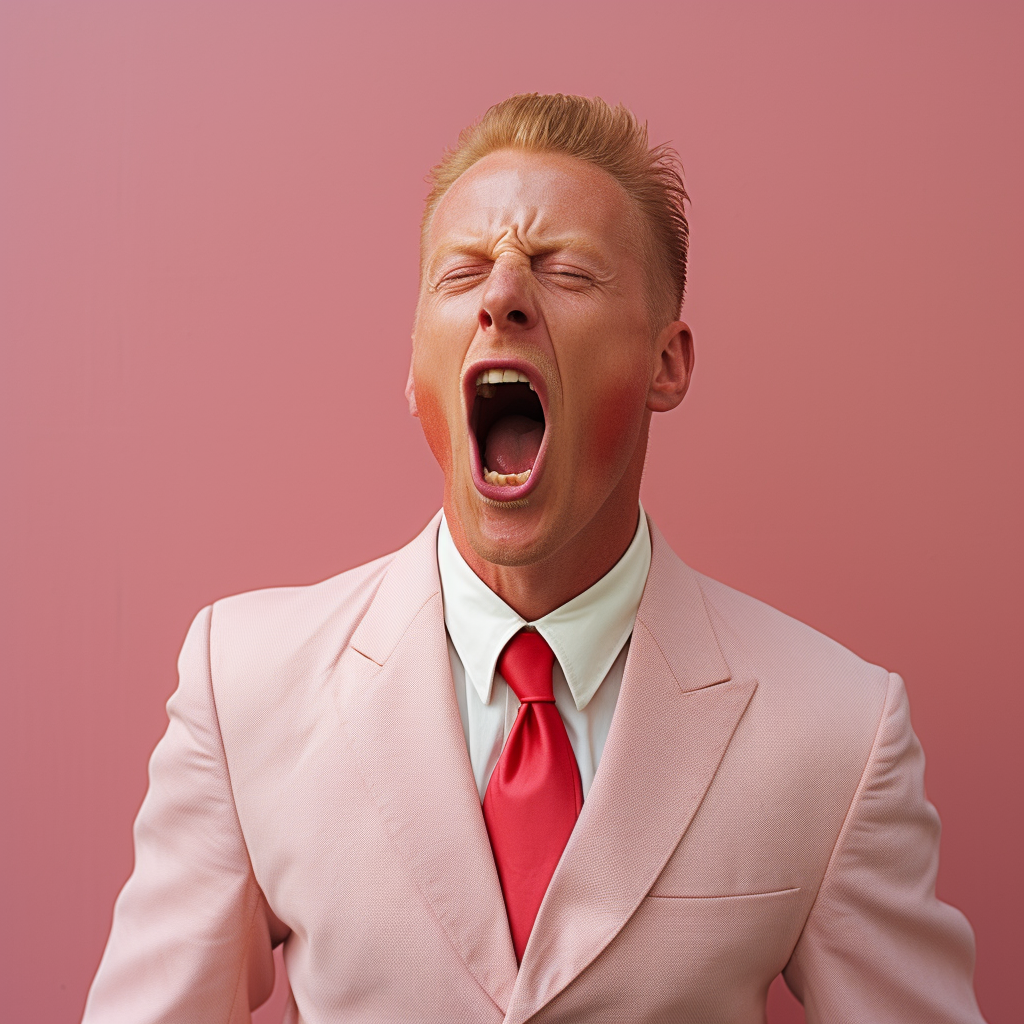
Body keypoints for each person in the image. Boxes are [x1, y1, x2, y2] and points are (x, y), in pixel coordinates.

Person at [82, 93, 985, 1023]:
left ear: (665, 363)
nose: (502, 296)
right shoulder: (243, 685)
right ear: (414, 368)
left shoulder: (837, 729)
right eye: (462, 271)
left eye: (568, 272)